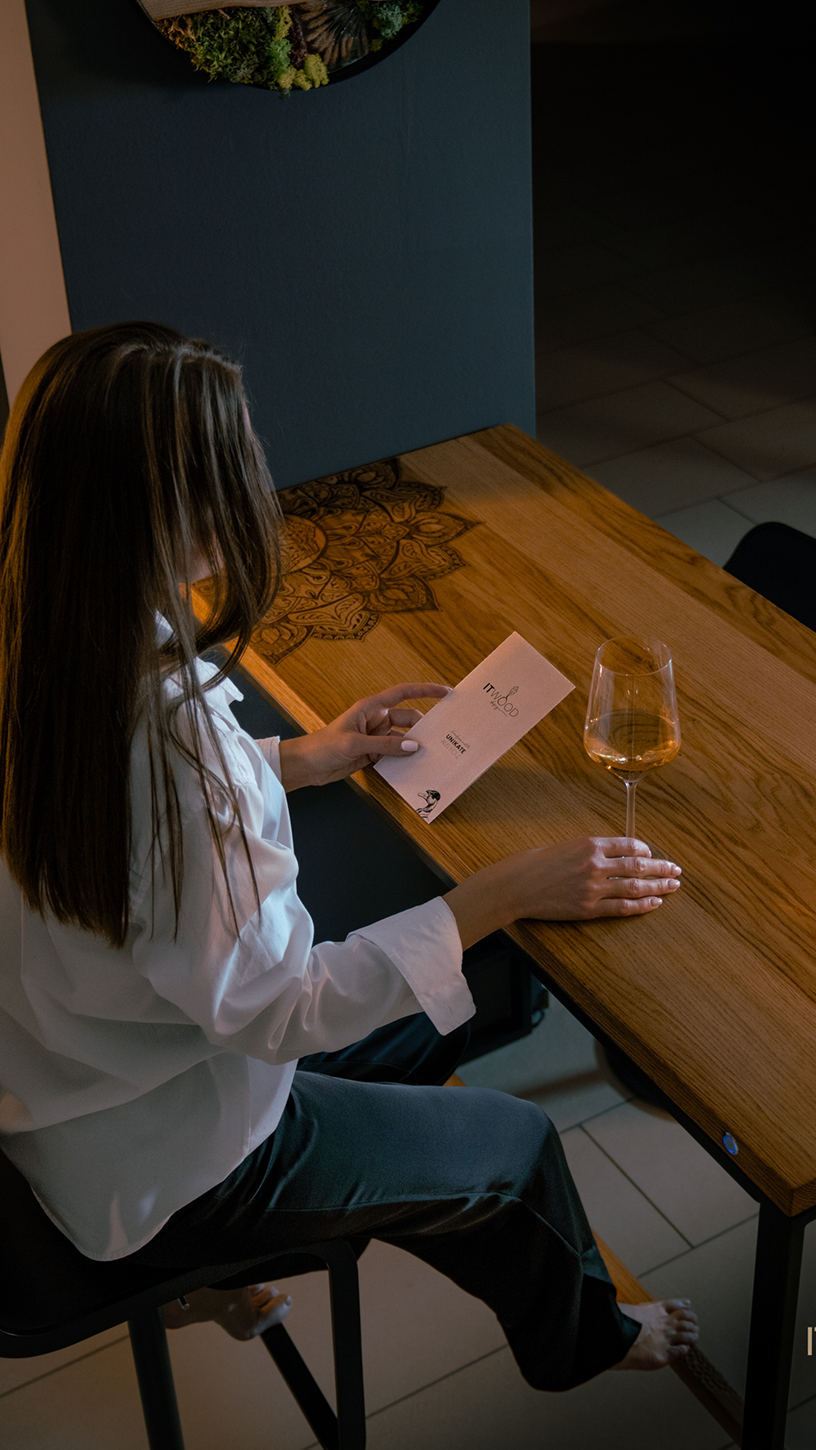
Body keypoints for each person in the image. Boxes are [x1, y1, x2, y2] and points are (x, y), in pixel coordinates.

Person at [0, 322, 696, 1388]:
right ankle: (593, 1342)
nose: (255, 482)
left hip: (72, 1095)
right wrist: (503, 891)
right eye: (238, 462)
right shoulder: (176, 752)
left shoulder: (35, 638)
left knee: (446, 1005)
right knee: (513, 1149)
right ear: (171, 514)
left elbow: (114, 818)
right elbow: (282, 1010)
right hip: (176, 1157)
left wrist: (295, 757)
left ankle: (220, 1275)